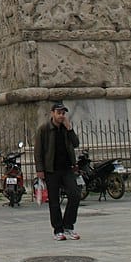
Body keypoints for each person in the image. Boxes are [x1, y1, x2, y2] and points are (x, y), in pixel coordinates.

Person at [34, 103, 81, 241]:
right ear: (52, 113)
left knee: (75, 194)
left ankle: (68, 225)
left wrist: (70, 129)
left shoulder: (66, 129)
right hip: (51, 169)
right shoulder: (44, 129)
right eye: (59, 113)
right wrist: (40, 169)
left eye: (63, 113)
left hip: (67, 168)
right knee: (54, 201)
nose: (61, 116)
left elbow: (76, 143)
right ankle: (58, 229)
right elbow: (38, 151)